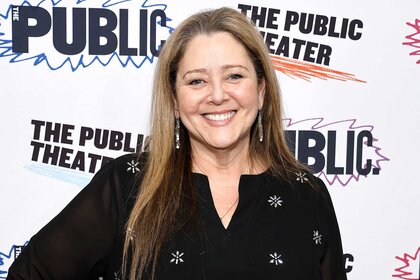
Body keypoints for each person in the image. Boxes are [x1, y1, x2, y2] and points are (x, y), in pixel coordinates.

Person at [7, 7, 347, 280]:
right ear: (173, 99)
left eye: (234, 76)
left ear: (261, 91)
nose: (217, 95)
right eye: (196, 80)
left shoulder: (307, 195)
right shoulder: (127, 183)